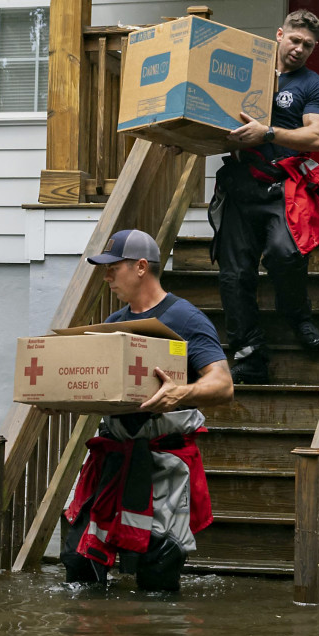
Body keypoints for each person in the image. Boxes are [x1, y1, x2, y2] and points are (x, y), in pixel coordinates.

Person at [59, 228, 235, 594]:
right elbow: (95, 388)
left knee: (157, 566)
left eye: (113, 268)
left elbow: (223, 384)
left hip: (163, 458)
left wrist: (180, 394)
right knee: (78, 560)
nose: (106, 276)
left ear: (141, 267)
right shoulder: (113, 327)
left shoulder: (186, 319)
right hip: (113, 455)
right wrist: (59, 399)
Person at [214, 9, 319, 384]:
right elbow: (208, 110)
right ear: (279, 34)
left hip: (283, 186)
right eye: (294, 40)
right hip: (238, 184)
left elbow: (317, 137)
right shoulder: (243, 72)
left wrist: (269, 133)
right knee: (234, 274)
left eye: (308, 46)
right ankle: (250, 354)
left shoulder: (313, 86)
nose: (299, 49)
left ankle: (296, 313)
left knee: (286, 254)